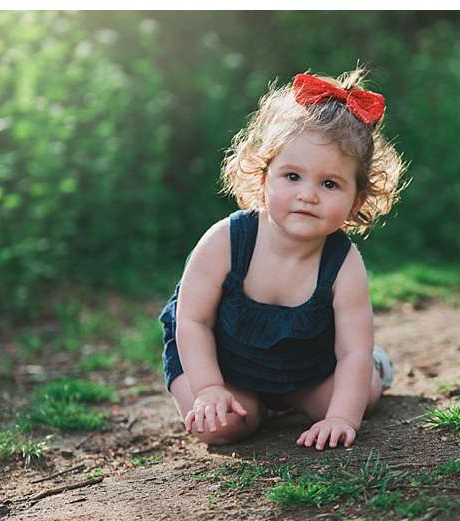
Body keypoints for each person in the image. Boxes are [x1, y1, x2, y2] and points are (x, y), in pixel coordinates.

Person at [159, 67, 408, 451]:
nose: (308, 194)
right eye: (292, 176)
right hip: (219, 363)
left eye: (329, 184)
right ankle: (251, 405)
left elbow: (350, 350)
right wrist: (208, 387)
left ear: (356, 200)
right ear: (264, 178)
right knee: (218, 427)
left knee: (359, 396)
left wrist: (341, 418)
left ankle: (368, 372)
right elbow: (193, 321)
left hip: (304, 369)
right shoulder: (227, 240)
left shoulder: (343, 264)